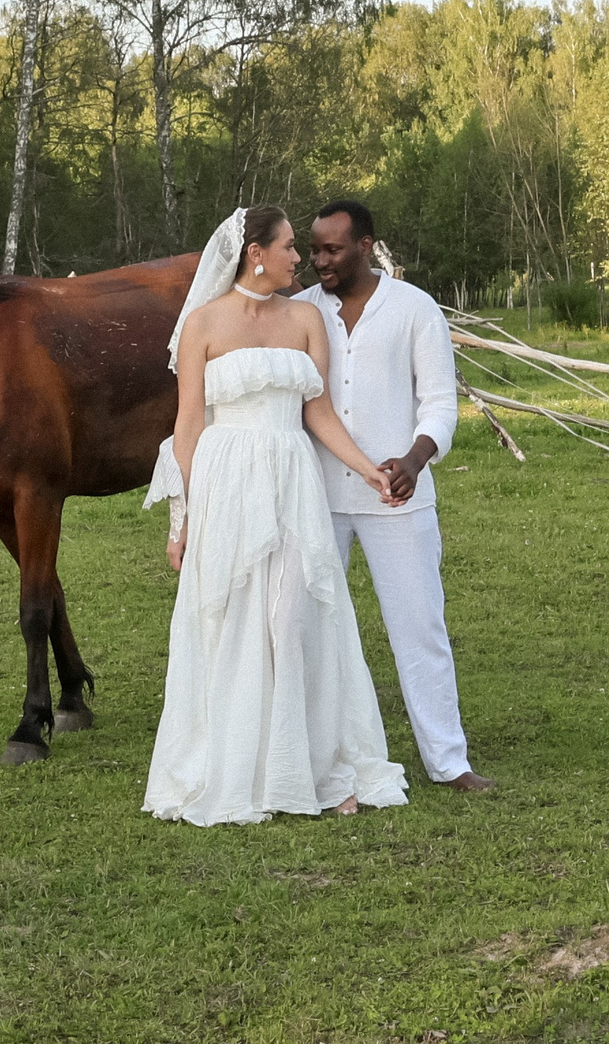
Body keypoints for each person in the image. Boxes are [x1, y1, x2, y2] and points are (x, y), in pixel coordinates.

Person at [140, 206, 411, 826]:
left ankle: (313, 769)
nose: (302, 259)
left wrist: (369, 470)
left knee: (294, 619)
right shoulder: (204, 325)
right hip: (226, 478)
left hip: (292, 477)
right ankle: (241, 770)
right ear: (255, 253)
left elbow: (318, 413)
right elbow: (187, 426)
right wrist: (180, 520)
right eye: (290, 247)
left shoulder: (306, 318)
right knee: (234, 623)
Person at [298, 200, 494, 793]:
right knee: (309, 627)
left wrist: (415, 458)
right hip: (319, 496)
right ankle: (310, 760)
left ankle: (449, 762)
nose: (319, 260)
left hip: (396, 497)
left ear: (365, 245)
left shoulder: (414, 308)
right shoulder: (301, 311)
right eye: (313, 249)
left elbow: (439, 399)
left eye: (332, 249)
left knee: (419, 627)